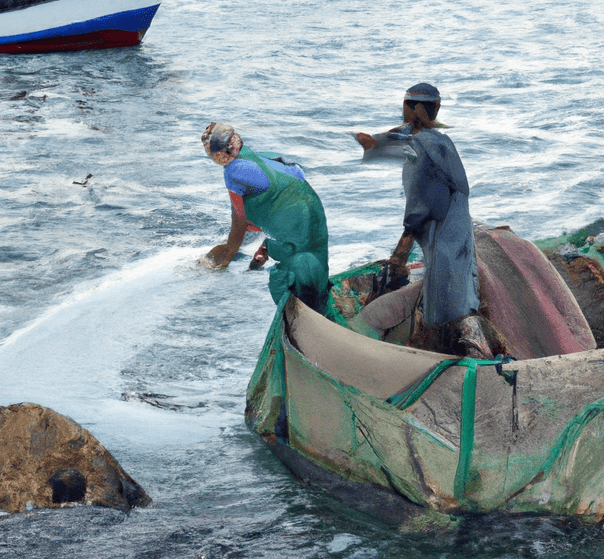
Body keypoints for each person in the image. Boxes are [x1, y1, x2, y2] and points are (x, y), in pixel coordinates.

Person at [358, 83, 490, 357]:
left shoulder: (420, 147)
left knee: (445, 302)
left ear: (412, 108)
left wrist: (401, 251)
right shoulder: (438, 140)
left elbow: (423, 202)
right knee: (459, 291)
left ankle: (455, 355)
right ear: (436, 108)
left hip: (444, 232)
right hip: (457, 228)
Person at [200, 123, 331, 312]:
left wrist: (226, 256)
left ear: (220, 155)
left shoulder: (232, 172)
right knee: (311, 265)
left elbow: (239, 222)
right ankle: (269, 253)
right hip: (312, 208)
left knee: (292, 284)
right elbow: (296, 170)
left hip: (293, 219)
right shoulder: (256, 155)